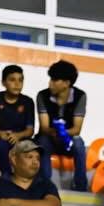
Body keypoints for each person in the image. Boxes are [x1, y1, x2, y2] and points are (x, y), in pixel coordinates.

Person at [33, 60, 90, 192]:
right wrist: (56, 132)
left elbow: (77, 129)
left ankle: (80, 186)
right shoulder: (43, 95)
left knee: (79, 144)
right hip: (49, 137)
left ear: (66, 83)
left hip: (68, 139)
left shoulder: (80, 96)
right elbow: (44, 127)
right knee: (42, 142)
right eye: (50, 79)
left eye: (54, 80)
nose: (50, 83)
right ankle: (45, 185)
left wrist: (63, 133)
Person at [0, 64, 36, 177]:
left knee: (33, 149)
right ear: (3, 82)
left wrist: (18, 136)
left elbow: (30, 130)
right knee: (1, 144)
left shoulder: (28, 101)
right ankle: (7, 176)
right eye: (12, 80)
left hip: (19, 138)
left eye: (20, 80)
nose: (17, 84)